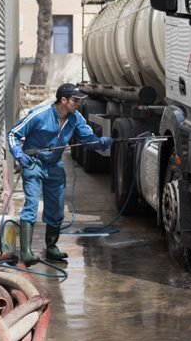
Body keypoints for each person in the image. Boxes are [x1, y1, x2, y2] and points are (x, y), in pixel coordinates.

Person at [7, 83, 113, 265]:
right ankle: (26, 251)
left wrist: (100, 142)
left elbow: (88, 139)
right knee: (31, 204)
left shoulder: (75, 118)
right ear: (63, 100)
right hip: (34, 163)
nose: (78, 103)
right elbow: (13, 134)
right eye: (75, 100)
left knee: (56, 206)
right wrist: (19, 155)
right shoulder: (39, 115)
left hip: (54, 165)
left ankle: (51, 247)